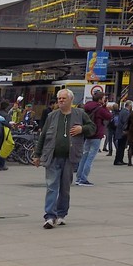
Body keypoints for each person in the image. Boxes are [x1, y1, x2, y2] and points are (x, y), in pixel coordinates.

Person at [32, 88, 93, 228]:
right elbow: (43, 135)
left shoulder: (80, 114)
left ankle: (61, 214)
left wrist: (81, 129)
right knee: (52, 186)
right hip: (52, 157)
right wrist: (37, 155)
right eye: (59, 98)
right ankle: (49, 216)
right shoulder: (52, 116)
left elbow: (92, 127)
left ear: (71, 100)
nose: (60, 101)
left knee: (65, 187)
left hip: (70, 157)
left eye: (63, 98)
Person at [75, 88, 111, 187]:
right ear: (100, 99)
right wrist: (105, 106)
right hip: (96, 134)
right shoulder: (100, 109)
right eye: (103, 98)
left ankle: (78, 178)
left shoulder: (87, 106)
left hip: (87, 133)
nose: (104, 100)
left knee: (84, 156)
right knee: (90, 158)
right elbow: (109, 116)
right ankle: (83, 178)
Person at [111, 99, 132, 166]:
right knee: (121, 147)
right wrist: (126, 129)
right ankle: (118, 160)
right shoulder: (126, 112)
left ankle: (119, 160)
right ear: (130, 105)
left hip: (119, 131)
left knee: (121, 146)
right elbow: (125, 122)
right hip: (122, 132)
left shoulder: (122, 111)